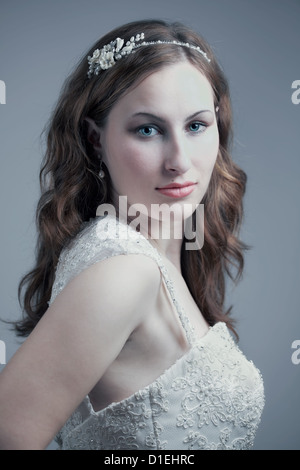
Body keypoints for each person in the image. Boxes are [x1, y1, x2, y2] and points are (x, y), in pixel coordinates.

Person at [0, 19, 264, 450]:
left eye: (196, 125)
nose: (179, 160)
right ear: (95, 140)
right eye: (148, 129)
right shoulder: (125, 272)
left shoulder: (154, 259)